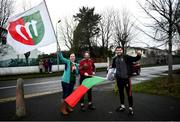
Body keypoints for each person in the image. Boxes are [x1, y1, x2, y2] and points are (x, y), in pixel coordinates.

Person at [112, 46, 141, 115]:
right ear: (115, 51)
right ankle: (122, 106)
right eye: (117, 50)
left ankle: (130, 108)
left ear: (122, 51)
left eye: (120, 50)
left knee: (129, 94)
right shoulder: (115, 59)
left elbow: (135, 59)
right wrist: (112, 74)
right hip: (119, 79)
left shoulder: (126, 57)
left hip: (126, 79)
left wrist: (139, 54)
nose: (118, 51)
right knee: (121, 93)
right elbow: (113, 67)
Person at [58, 49, 79, 115]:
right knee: (65, 95)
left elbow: (77, 73)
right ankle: (63, 108)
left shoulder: (76, 65)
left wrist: (75, 70)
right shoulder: (67, 62)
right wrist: (59, 52)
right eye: (71, 56)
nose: (72, 57)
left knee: (70, 95)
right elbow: (61, 58)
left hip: (72, 82)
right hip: (65, 81)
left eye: (73, 56)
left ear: (75, 58)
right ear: (69, 58)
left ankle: (68, 107)